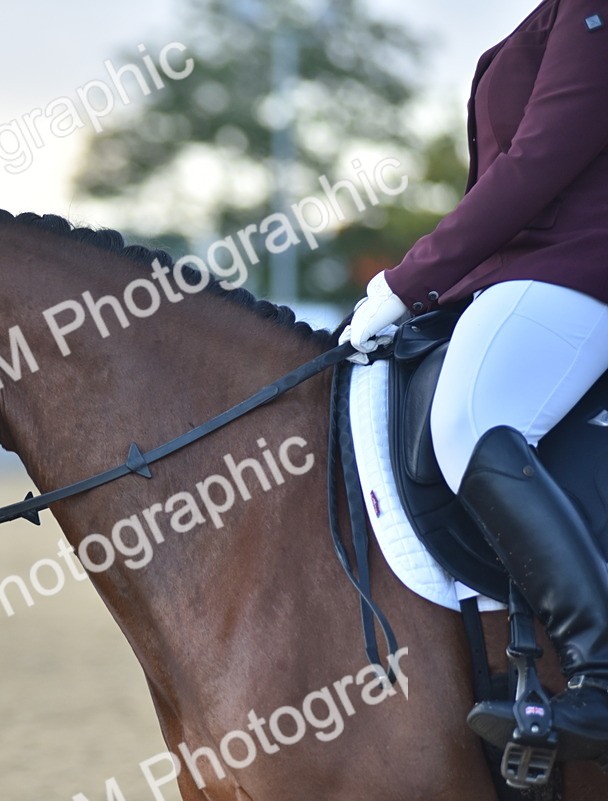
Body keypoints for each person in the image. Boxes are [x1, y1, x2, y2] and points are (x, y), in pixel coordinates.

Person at [343, 0, 608, 761]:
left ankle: (601, 673)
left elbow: (541, 161)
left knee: (473, 417)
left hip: (580, 262)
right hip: (524, 270)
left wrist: (407, 282)